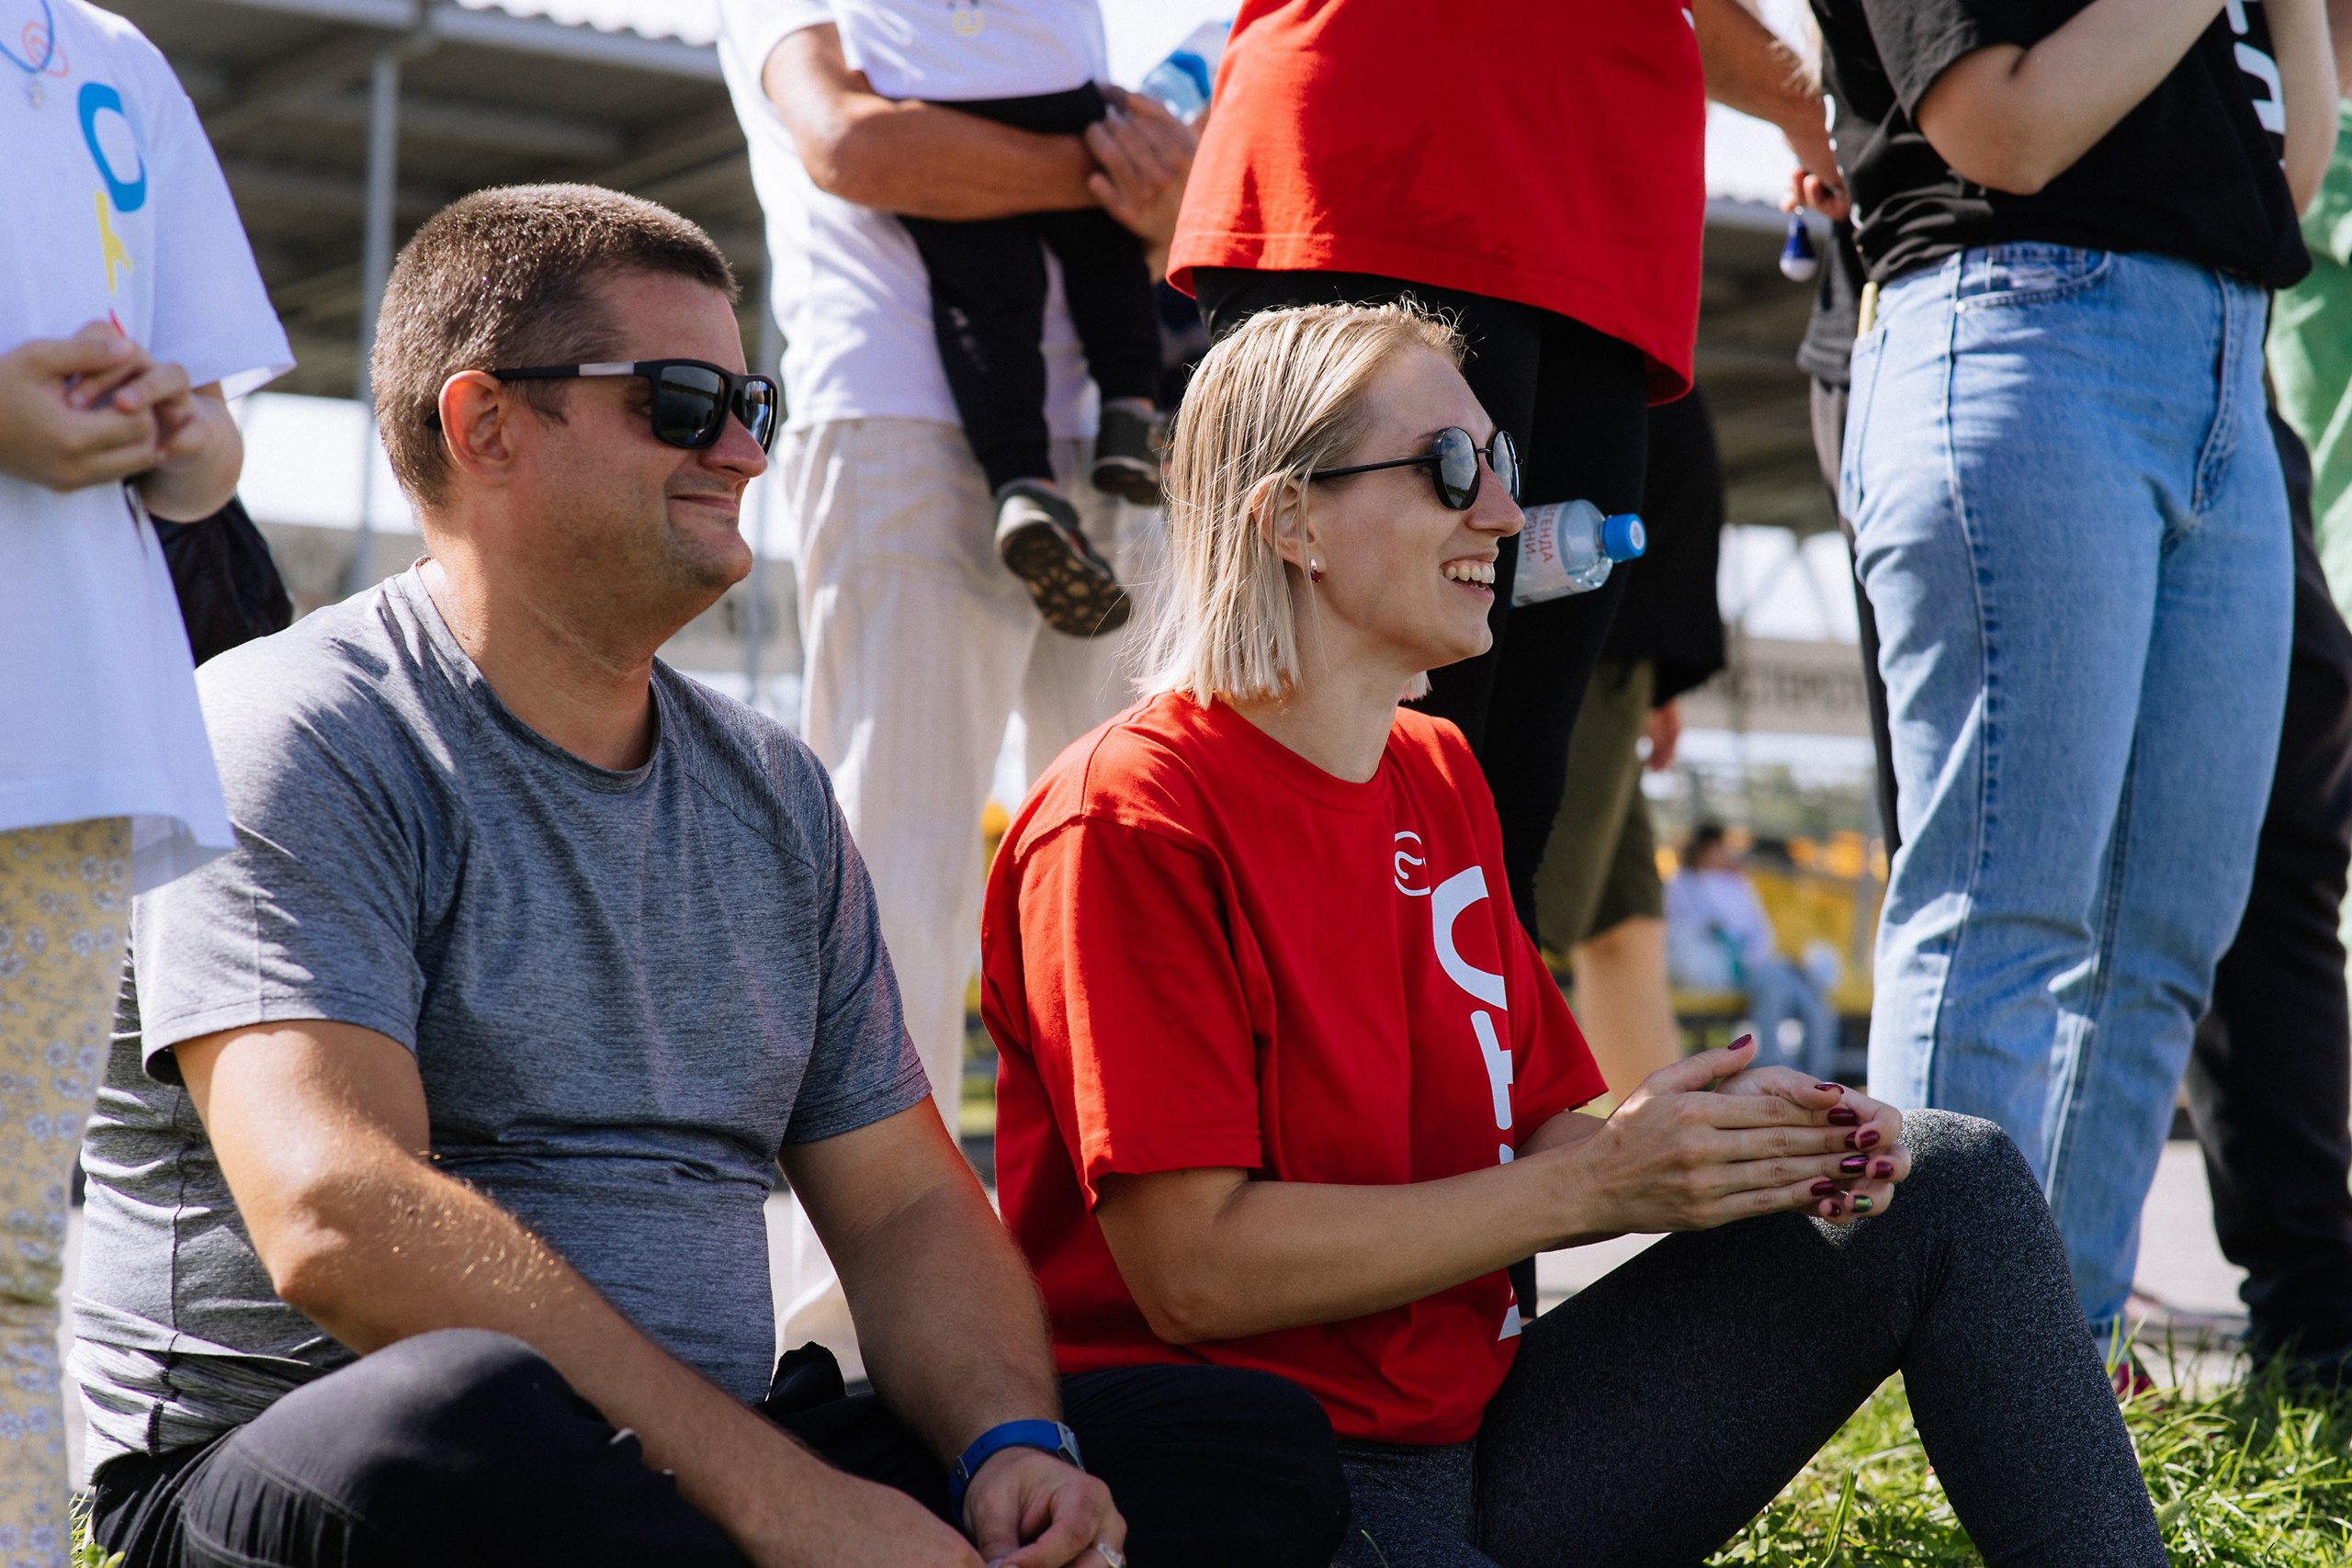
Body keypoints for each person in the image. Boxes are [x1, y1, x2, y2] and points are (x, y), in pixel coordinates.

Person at [74, 185, 1346, 1568]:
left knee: (1231, 1440)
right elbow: (337, 1212)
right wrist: (786, 1501)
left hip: (693, 1465)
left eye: (756, 400)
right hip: (328, 1467)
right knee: (465, 1420)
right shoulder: (290, 728)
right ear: (484, 421)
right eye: (681, 401)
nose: (743, 449)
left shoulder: (774, 792)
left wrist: (1007, 1446)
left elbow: (909, 1201)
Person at [982, 302, 2162, 1566]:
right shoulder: (1128, 814)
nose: (1503, 513)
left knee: (1949, 1176)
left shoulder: (1434, 770)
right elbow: (1193, 1270)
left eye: (1503, 466)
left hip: (1480, 1438)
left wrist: (1726, 1147)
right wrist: (1592, 1181)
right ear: (1291, 518)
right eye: (1450, 468)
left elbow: (1536, 1135)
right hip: (1249, 1475)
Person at [1820, 0, 2334, 1350]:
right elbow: (2011, 126)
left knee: (2163, 935)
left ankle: (2060, 1380)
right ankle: (1935, 1401)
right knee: (2006, 910)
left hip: (2217, 357)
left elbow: (2286, 181)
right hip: (2022, 316)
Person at [715, 4, 1193, 1365]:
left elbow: (1163, 213)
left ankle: (1138, 1293)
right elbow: (856, 146)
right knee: (893, 879)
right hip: (902, 423)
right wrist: (1107, 172)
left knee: (1139, 881)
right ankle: (843, 1337)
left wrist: (1144, 197)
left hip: (1110, 445)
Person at [1173, 0, 1839, 935]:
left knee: (1505, 805)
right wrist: (1814, 108)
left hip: (1597, 213)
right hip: (1375, 156)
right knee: (1330, 755)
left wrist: (1816, 111)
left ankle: (1490, 1081)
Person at [1, 3, 288, 1560]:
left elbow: (213, 435)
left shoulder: (110, 57)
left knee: (13, 1257)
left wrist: (177, 430)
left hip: (64, 731)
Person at [842, 0, 1167, 637]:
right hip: (1048, 72)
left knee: (985, 301)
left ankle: (1023, 483)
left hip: (930, 95)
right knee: (1107, 248)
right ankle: (1132, 413)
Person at [2182, 412, 2352, 1382]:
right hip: (1999, 319)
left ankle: (2313, 1329)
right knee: (2025, 873)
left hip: (2226, 372)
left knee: (2282, 835)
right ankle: (2011, 1348)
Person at [1533, 389, 1730, 1097]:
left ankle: (1660, 1187)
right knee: (1519, 923)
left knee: (1625, 925)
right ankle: (1480, 1174)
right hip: (1580, 626)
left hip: (1618, 637)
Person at [1667, 826, 1843, 1085]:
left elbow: (1761, 932)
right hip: (1723, 970)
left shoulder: (1737, 883)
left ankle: (1816, 1078)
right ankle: (1776, 1072)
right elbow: (1685, 935)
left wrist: (1750, 954)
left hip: (1757, 964)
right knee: (1778, 987)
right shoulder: (1681, 884)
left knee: (1815, 1005)